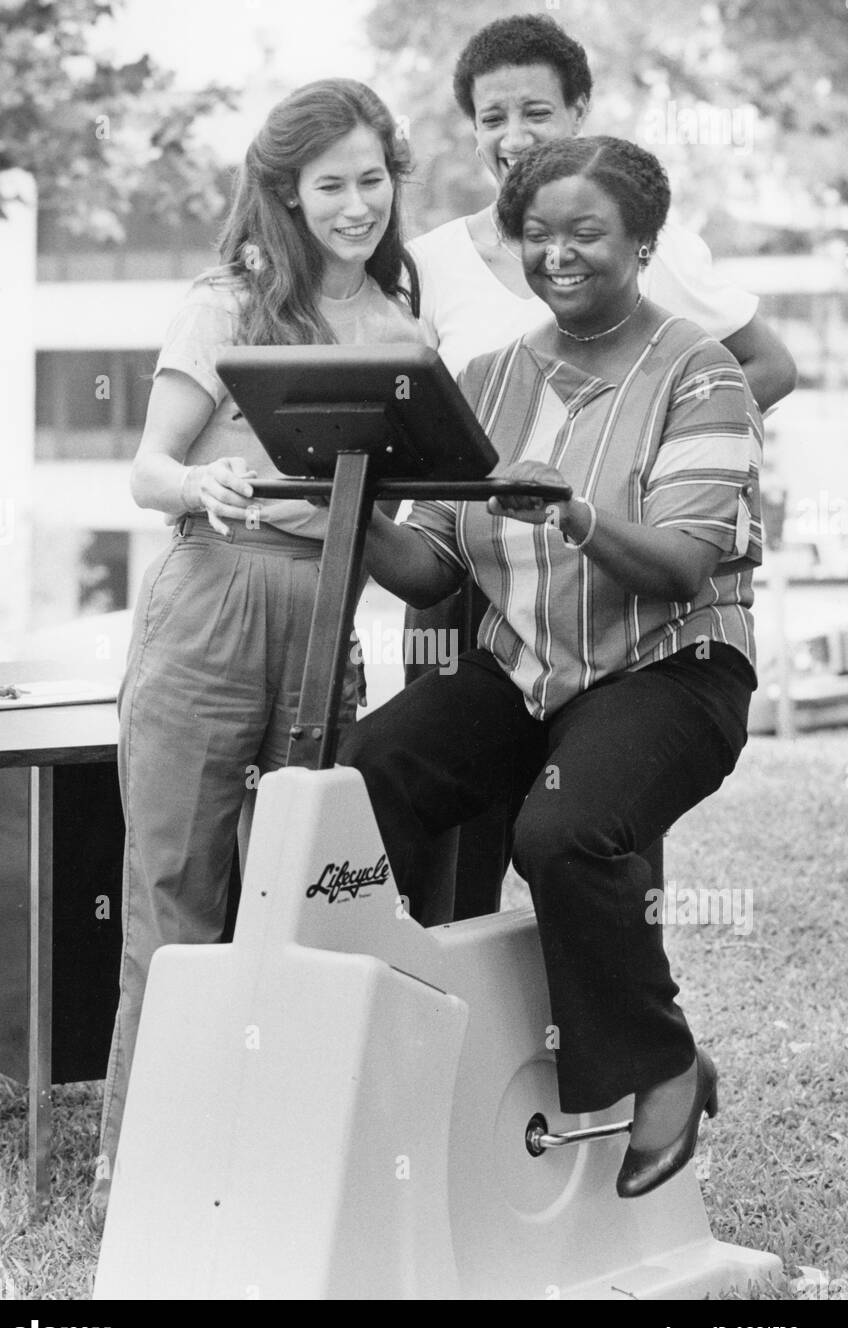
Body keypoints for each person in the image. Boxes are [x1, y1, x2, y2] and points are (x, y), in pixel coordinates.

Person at [339, 135, 763, 1199]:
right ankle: (423, 1018)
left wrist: (573, 512)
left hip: (672, 671)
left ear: (643, 243)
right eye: (538, 235)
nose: (559, 254)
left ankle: (663, 1061)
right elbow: (434, 570)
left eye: (587, 233)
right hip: (528, 670)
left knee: (563, 830)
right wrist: (339, 506)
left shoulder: (699, 372)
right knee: (367, 772)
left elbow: (681, 562)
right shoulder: (484, 379)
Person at [89, 78, 425, 1227]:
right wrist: (203, 480)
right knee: (177, 893)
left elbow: (411, 526)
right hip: (211, 606)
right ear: (285, 191)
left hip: (329, 620)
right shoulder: (226, 301)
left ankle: (277, 1159)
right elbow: (148, 471)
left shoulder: (402, 329)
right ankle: (140, 1172)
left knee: (301, 898)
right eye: (328, 184)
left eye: (371, 179)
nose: (354, 204)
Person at [404, 11, 795, 921]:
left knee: (588, 827)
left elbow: (767, 365)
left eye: (536, 111)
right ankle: (465, 1023)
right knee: (454, 827)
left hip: (621, 578)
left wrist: (656, 460)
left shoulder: (647, 241)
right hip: (470, 578)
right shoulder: (430, 266)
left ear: (580, 110)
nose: (514, 136)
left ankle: (621, 1035)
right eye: (492, 117)